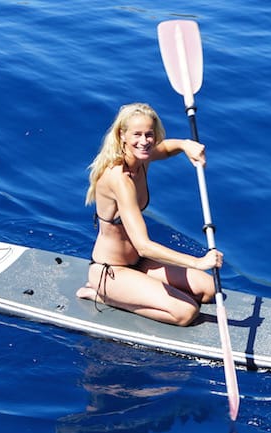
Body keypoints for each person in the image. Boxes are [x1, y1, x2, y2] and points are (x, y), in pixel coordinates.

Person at [75, 102, 223, 326]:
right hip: (111, 271)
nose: (144, 141)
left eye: (149, 135)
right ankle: (104, 296)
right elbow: (143, 245)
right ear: (122, 135)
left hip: (140, 263)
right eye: (137, 134)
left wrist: (185, 145)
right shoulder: (119, 178)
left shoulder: (142, 158)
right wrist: (197, 262)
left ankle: (140, 286)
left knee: (208, 290)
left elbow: (164, 149)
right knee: (186, 311)